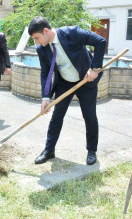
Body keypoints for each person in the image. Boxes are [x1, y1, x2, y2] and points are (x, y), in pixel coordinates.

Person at [28, 16, 106, 165]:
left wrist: (94, 68)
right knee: (57, 116)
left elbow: (100, 41)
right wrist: (45, 97)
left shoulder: (72, 33)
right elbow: (45, 73)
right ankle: (49, 150)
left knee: (89, 117)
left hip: (85, 80)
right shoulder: (42, 49)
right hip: (64, 83)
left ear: (46, 31)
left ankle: (91, 150)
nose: (36, 42)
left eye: (37, 38)